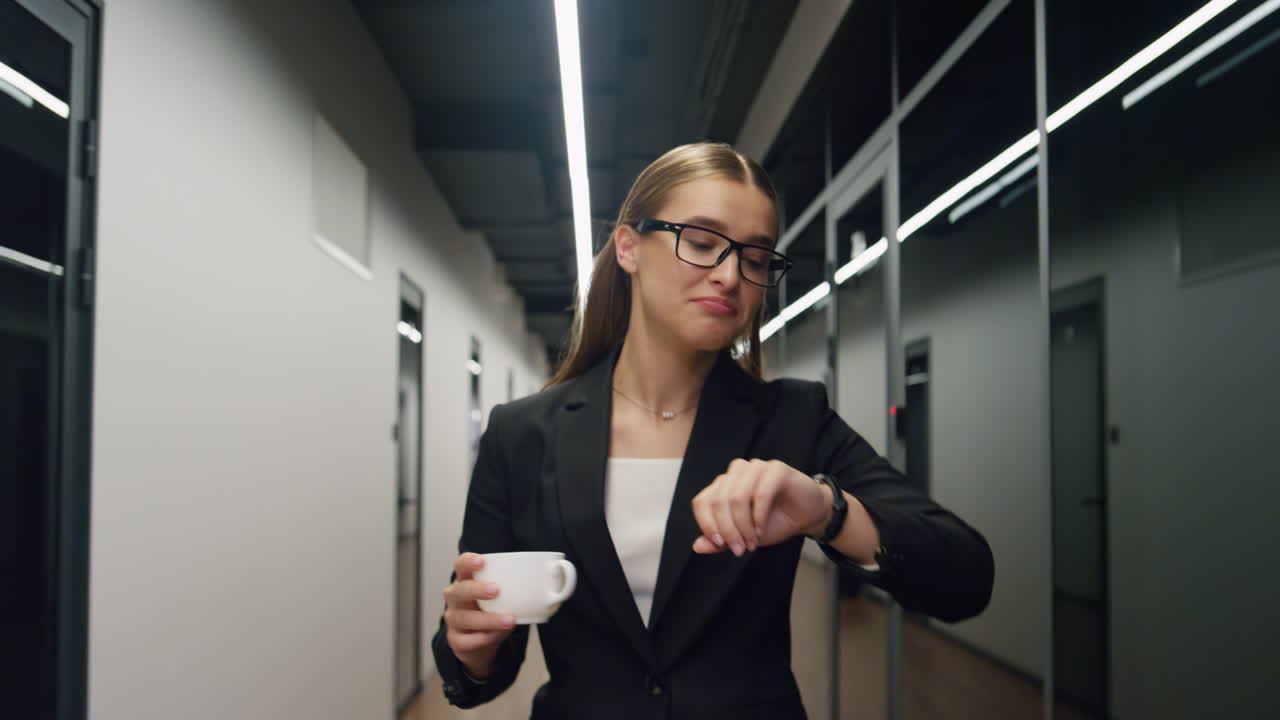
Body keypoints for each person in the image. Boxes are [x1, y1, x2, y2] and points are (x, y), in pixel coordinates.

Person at [432, 142, 994, 719]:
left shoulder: (792, 419)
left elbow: (966, 577)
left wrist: (826, 511)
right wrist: (471, 645)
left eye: (757, 258)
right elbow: (475, 666)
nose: (730, 276)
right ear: (629, 248)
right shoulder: (522, 433)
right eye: (702, 243)